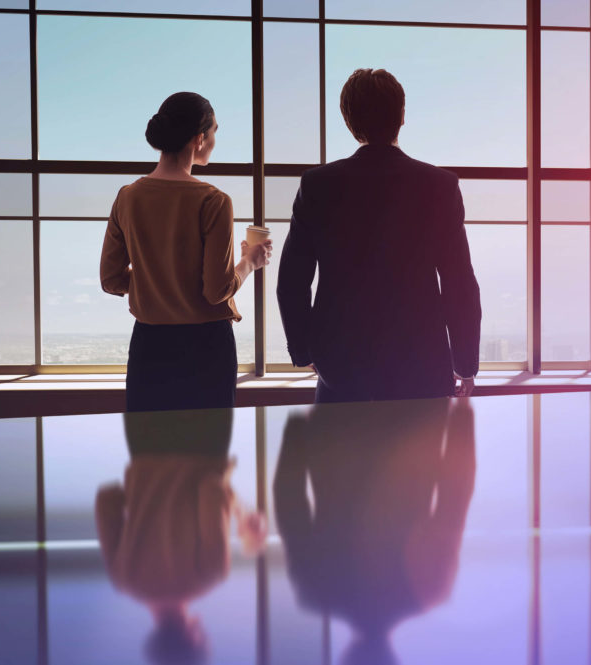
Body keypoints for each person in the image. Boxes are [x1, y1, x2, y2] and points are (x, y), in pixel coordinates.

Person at [277, 68, 481, 403]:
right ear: (402, 116)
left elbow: (293, 279)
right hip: (423, 365)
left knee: (341, 455)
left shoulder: (319, 184)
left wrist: (303, 349)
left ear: (349, 121)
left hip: (341, 365)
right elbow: (459, 281)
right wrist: (465, 362)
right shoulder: (439, 186)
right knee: (420, 457)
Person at [100, 91, 272, 412]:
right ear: (198, 139)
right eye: (214, 132)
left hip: (149, 346)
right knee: (208, 452)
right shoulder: (213, 200)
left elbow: (110, 279)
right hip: (205, 348)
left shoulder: (128, 197)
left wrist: (157, 281)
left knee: (149, 452)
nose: (215, 141)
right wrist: (249, 261)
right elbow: (216, 290)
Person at [273, 398, 476, 665]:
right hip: (340, 418)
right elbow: (289, 499)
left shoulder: (431, 590)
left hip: (417, 412)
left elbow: (454, 495)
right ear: (347, 657)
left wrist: (462, 421)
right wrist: (297, 429)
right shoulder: (314, 589)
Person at [95, 408, 267, 665]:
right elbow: (107, 499)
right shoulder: (123, 580)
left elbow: (211, 489)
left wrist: (242, 518)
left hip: (203, 442)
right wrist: (143, 491)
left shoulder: (211, 575)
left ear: (195, 638)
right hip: (145, 442)